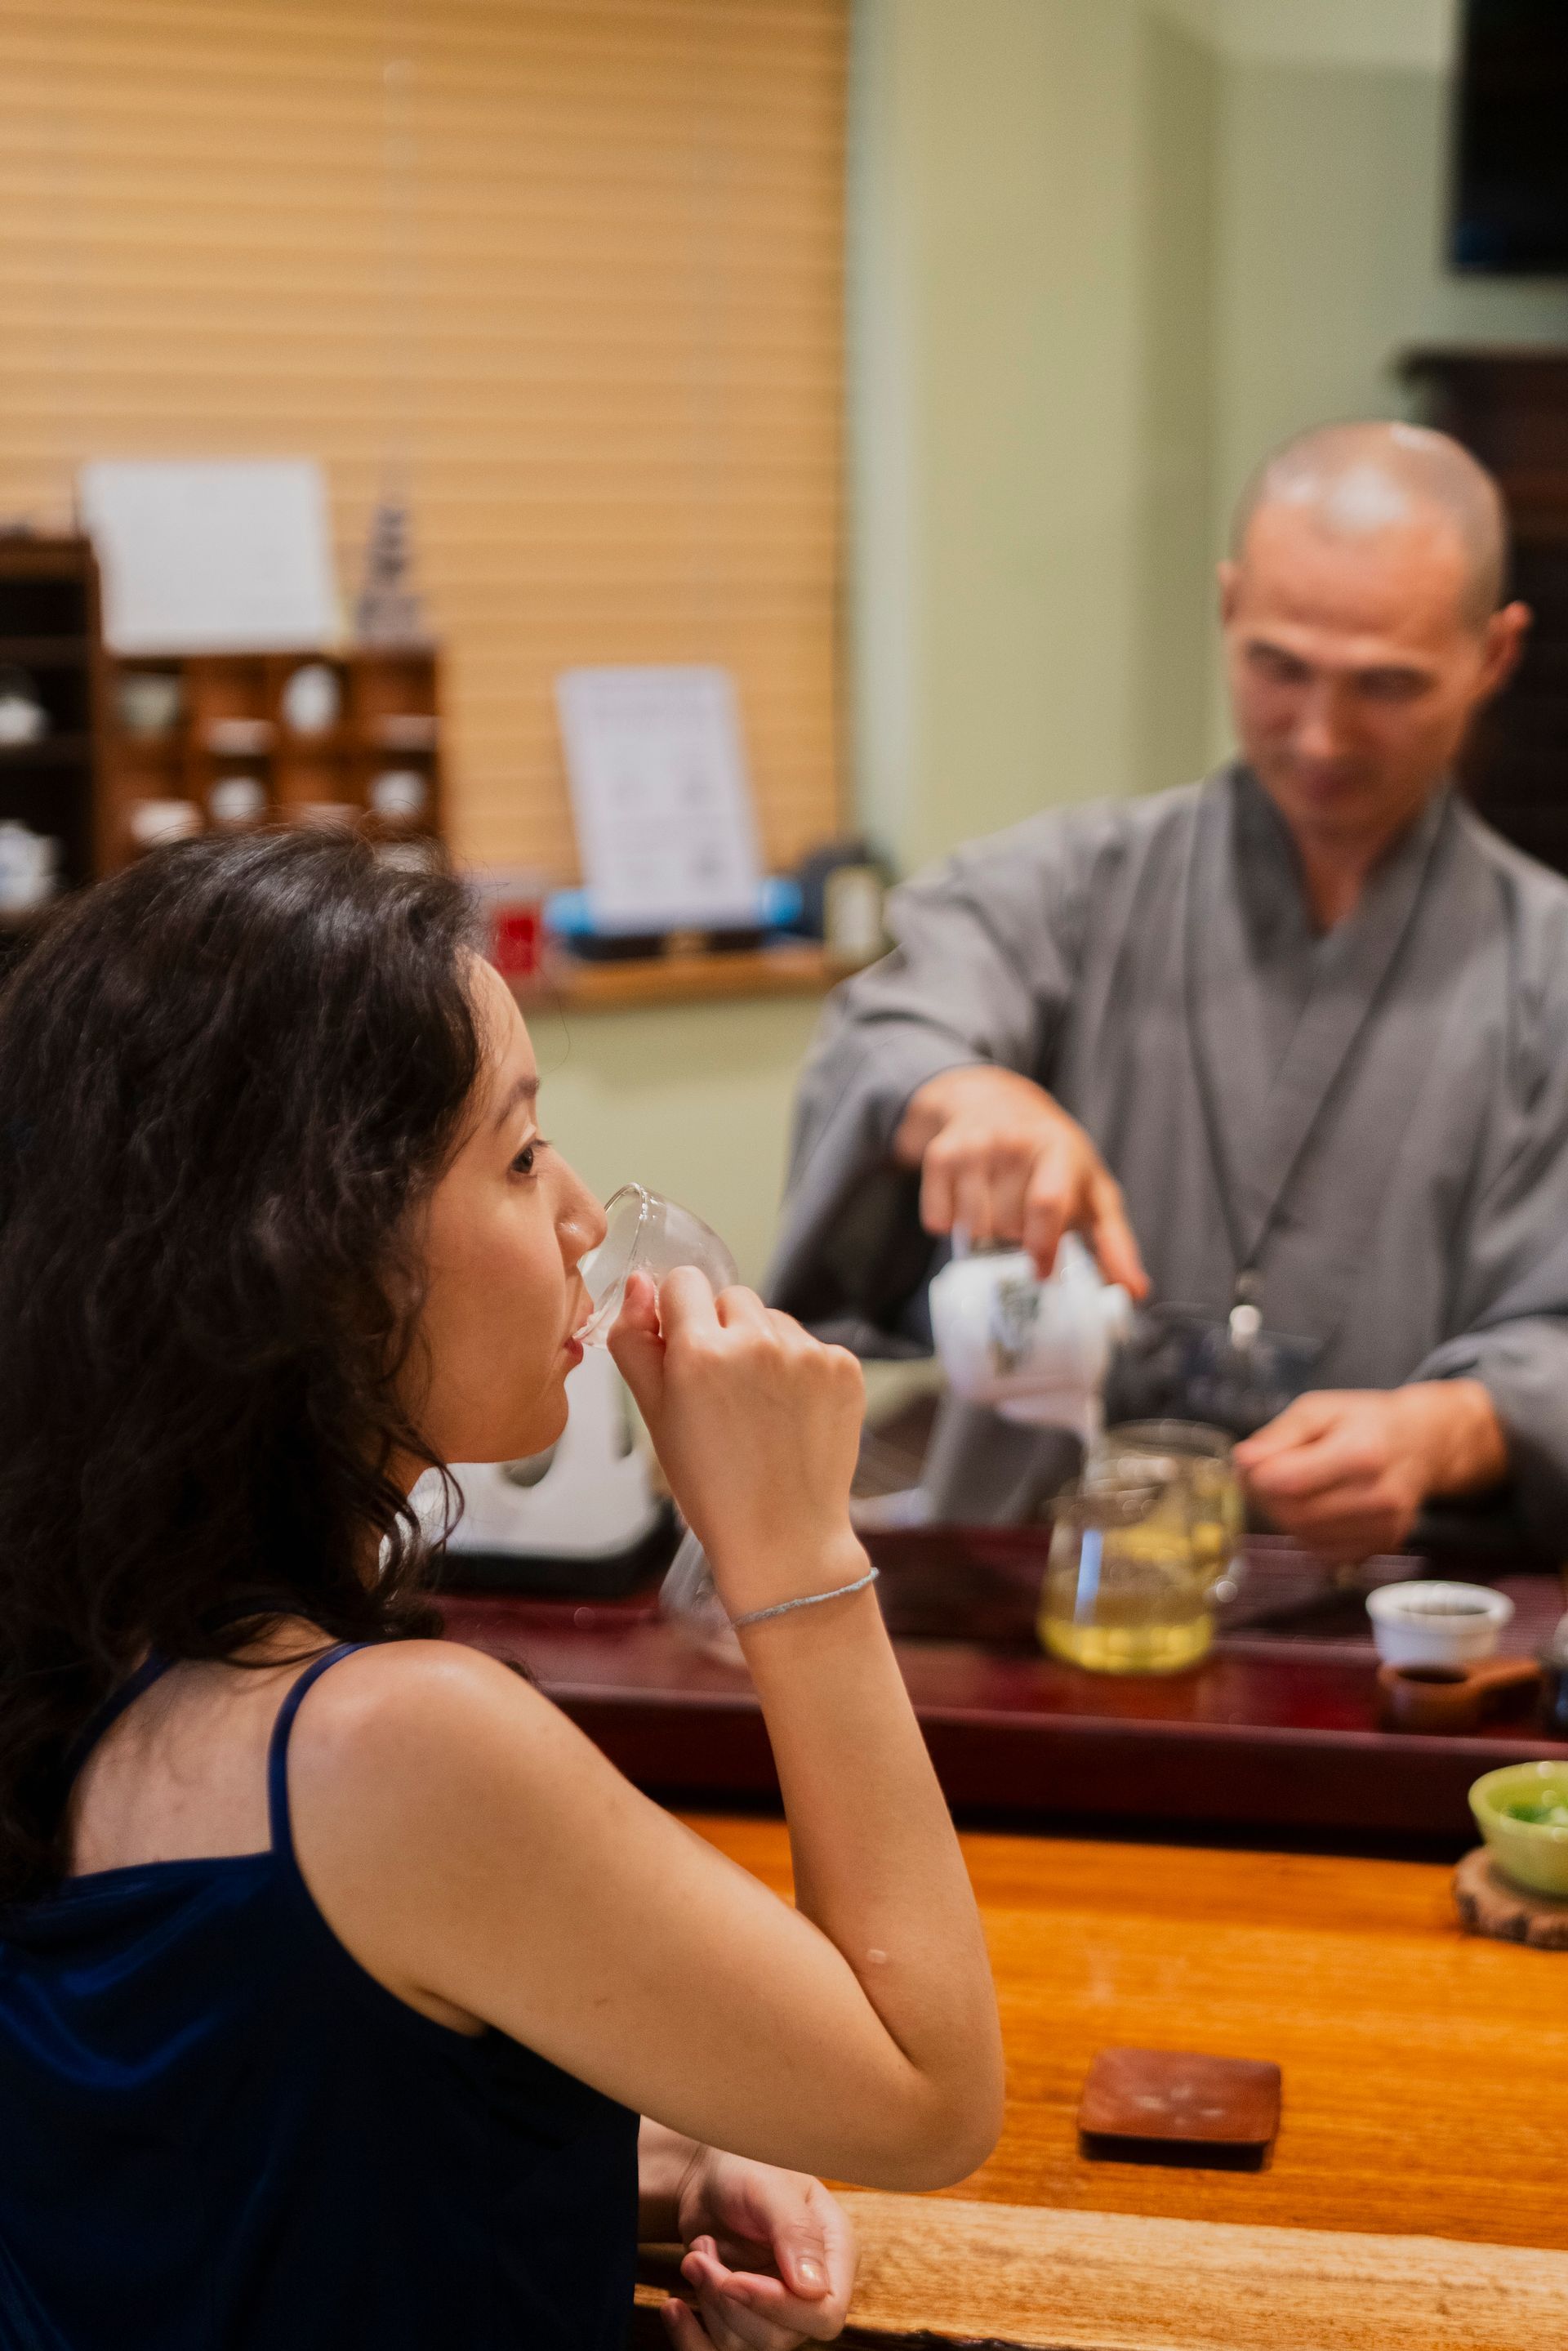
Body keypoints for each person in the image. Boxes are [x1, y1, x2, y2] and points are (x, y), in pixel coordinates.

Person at [0, 833, 1003, 2349]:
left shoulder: (83, 1647)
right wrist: (795, 1553)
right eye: (523, 1154)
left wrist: (663, 2150)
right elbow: (930, 2096)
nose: (584, 1217)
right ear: (325, 1258)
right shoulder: (392, 1748)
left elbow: (262, 2119)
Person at [772, 421, 1568, 1562]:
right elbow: (894, 1025)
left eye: (1386, 685)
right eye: (1279, 666)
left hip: (1380, 1629)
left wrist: (1455, 1428)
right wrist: (963, 1096)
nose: (1322, 733)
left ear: (1494, 655)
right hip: (1037, 1587)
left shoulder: (1549, 968)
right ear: (1230, 605)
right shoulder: (1075, 886)